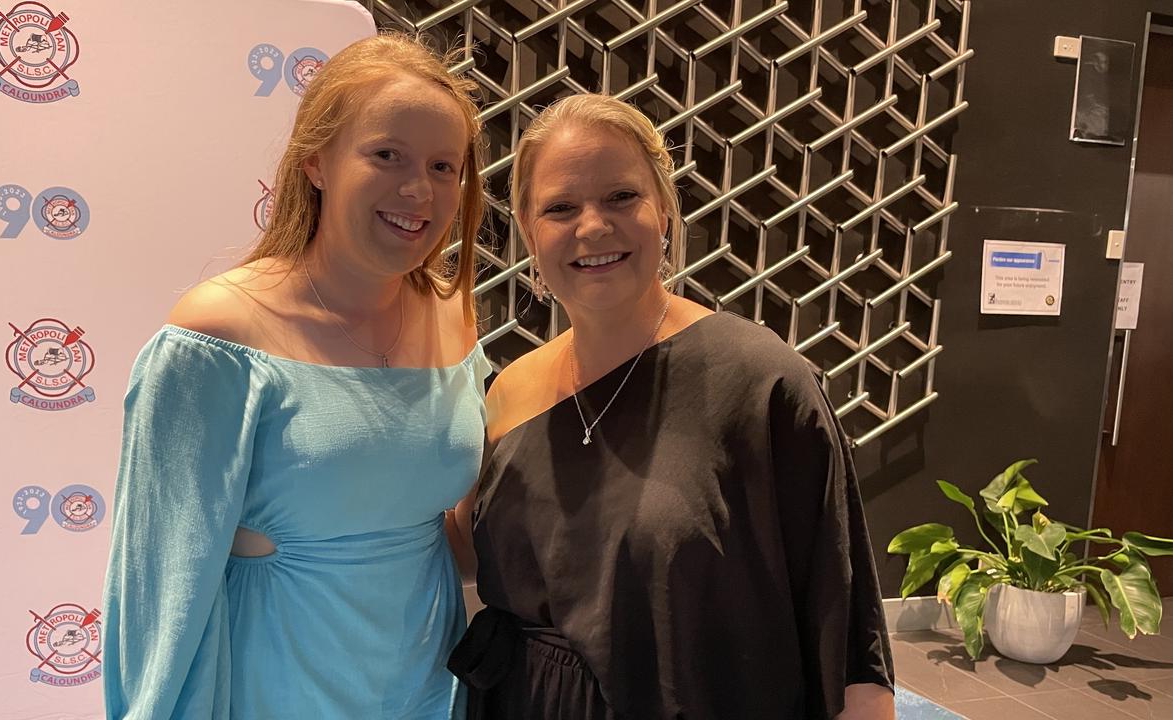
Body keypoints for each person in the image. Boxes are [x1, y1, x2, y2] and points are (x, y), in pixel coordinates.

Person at [448, 94, 895, 719]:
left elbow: (847, 632)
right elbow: (463, 552)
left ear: (665, 209)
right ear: (528, 231)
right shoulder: (508, 390)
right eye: (561, 207)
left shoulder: (763, 382)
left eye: (621, 197)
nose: (593, 226)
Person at [102, 33, 490, 719]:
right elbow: (161, 592)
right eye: (386, 155)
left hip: (429, 690)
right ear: (316, 160)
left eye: (442, 166)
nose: (417, 190)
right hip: (275, 693)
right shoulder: (217, 336)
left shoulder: (452, 314)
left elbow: (451, 529)